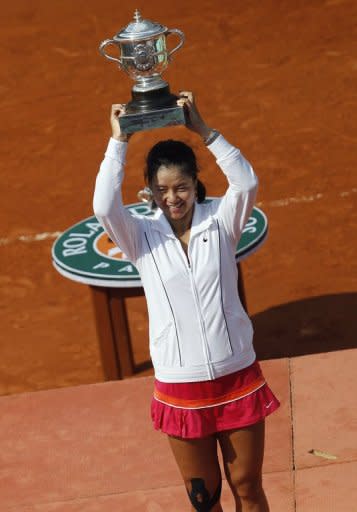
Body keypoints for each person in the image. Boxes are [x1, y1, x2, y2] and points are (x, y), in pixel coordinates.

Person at [93, 92, 280, 512]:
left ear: (196, 183)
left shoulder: (222, 220)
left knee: (247, 486)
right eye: (162, 190)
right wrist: (118, 141)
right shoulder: (139, 235)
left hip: (237, 378)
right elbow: (103, 204)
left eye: (181, 186)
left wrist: (203, 130)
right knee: (203, 498)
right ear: (150, 192)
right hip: (181, 387)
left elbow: (246, 182)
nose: (172, 198)